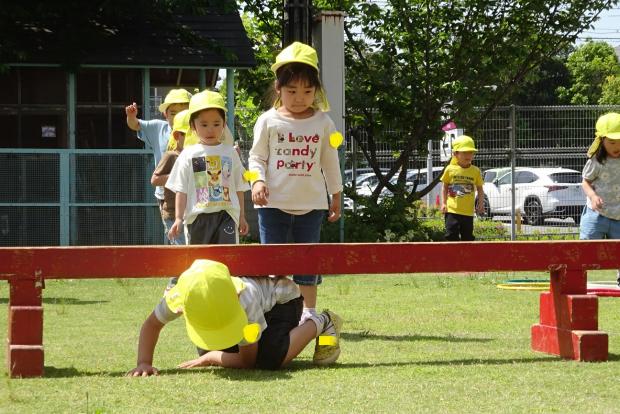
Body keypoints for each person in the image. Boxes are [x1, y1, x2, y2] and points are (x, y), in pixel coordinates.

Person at [248, 42, 343, 324]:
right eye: (291, 91)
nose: (300, 98)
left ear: (316, 90)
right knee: (272, 263)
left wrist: (336, 195)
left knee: (307, 262)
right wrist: (257, 183)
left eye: (307, 91)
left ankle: (308, 316)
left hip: (311, 205)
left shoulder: (324, 123)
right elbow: (255, 157)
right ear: (278, 88)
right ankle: (273, 314)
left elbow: (330, 162)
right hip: (272, 204)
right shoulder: (267, 121)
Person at [127, 259, 343, 375]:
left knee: (267, 360)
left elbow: (248, 361)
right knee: (211, 347)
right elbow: (151, 325)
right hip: (256, 303)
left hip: (282, 303)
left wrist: (210, 358)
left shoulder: (244, 298)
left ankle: (321, 321)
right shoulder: (181, 295)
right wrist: (144, 362)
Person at [166, 90, 249, 244]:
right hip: (197, 217)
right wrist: (178, 218)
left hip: (227, 215)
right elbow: (181, 189)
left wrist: (242, 216)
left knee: (227, 258)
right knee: (199, 261)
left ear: (224, 124)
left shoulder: (231, 153)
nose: (210, 129)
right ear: (193, 126)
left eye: (216, 124)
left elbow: (239, 187)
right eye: (204, 124)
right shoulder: (188, 155)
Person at [125, 89, 192, 243]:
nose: (178, 117)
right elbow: (135, 125)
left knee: (193, 238)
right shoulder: (158, 128)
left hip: (195, 193)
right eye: (173, 113)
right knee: (178, 238)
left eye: (184, 112)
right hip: (167, 195)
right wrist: (131, 116)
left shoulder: (198, 131)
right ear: (165, 114)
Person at [580, 112, 620, 286]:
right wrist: (593, 196)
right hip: (596, 214)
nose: (616, 145)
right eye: (612, 142)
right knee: (586, 250)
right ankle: (578, 280)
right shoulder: (596, 161)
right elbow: (585, 183)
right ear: (601, 140)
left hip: (619, 216)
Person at [151, 110, 190, 246]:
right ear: (177, 135)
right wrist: (176, 175)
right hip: (173, 213)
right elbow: (155, 180)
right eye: (187, 134)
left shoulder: (197, 155)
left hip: (193, 214)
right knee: (181, 251)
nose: (192, 137)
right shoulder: (171, 155)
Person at [440, 135, 484, 241]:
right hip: (452, 211)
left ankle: (466, 257)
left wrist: (481, 204)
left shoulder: (475, 171)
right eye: (464, 152)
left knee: (468, 237)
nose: (468, 155)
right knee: (450, 235)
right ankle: (452, 256)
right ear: (455, 154)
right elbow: (445, 186)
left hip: (468, 212)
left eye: (471, 152)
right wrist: (444, 203)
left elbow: (480, 189)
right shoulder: (450, 169)